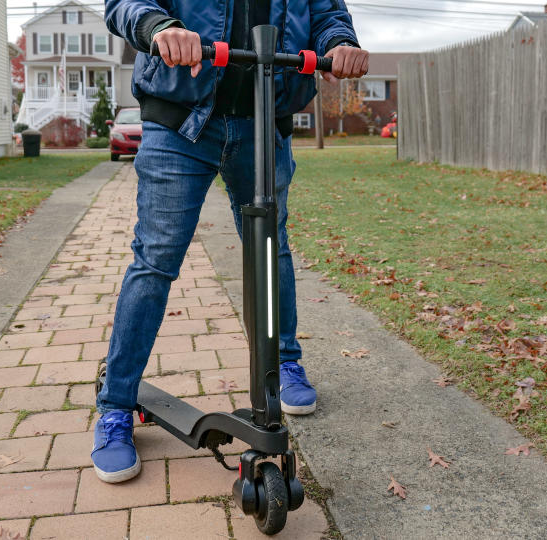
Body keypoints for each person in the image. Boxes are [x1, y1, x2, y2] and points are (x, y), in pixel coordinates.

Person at [94, 0, 369, 483]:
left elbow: (326, 13)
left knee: (270, 249)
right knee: (156, 260)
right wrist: (161, 26)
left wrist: (339, 43)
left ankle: (284, 364)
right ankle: (116, 405)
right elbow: (125, 4)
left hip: (265, 119)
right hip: (181, 120)